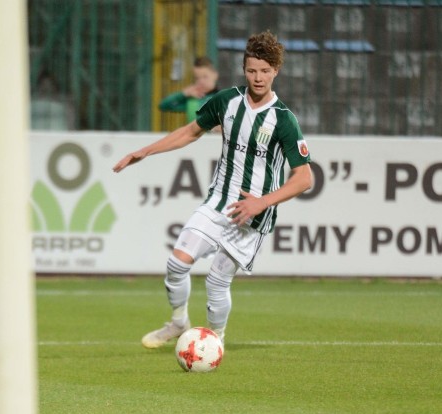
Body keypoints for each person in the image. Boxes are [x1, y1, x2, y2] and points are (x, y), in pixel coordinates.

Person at [113, 31, 314, 349]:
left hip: (251, 217)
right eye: (251, 70)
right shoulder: (227, 101)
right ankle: (179, 322)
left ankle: (214, 342)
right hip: (218, 202)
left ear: (276, 71)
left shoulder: (284, 120)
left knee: (217, 280)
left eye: (264, 71)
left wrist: (262, 202)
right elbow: (190, 132)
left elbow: (304, 178)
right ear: (243, 69)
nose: (257, 77)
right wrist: (145, 151)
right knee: (176, 264)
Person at [158, 56, 220, 123]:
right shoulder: (192, 100)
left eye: (205, 77)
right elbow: (163, 105)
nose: (201, 81)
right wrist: (183, 94)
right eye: (197, 78)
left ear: (215, 75)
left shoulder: (224, 98)